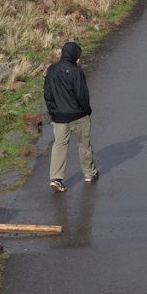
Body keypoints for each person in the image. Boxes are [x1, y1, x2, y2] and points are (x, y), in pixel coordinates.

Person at [43, 40, 96, 192]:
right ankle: (89, 173)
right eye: (78, 56)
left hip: (59, 117)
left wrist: (53, 112)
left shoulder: (52, 70)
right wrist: (87, 111)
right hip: (78, 115)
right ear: (74, 56)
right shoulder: (76, 71)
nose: (79, 59)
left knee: (59, 145)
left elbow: (47, 94)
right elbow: (82, 95)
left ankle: (56, 178)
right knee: (84, 144)